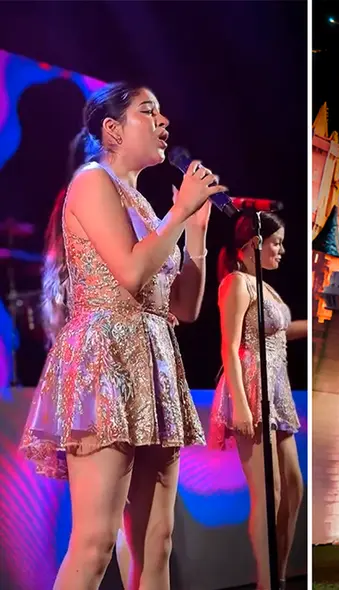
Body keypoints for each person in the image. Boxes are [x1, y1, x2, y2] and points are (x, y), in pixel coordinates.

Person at [19, 82, 224, 590]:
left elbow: (184, 307)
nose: (163, 122)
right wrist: (178, 216)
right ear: (111, 130)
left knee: (157, 543)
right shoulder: (91, 182)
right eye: (148, 111)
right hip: (105, 358)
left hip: (154, 361)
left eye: (161, 111)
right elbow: (131, 274)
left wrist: (194, 233)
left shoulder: (145, 204)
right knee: (95, 545)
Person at [208, 212, 305, 589]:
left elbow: (280, 330)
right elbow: (229, 347)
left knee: (293, 485)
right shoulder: (236, 283)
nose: (281, 250)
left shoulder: (267, 288)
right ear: (253, 245)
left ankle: (278, 574)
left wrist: (315, 325)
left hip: (277, 389)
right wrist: (243, 406)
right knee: (270, 491)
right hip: (251, 387)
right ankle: (267, 581)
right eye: (276, 243)